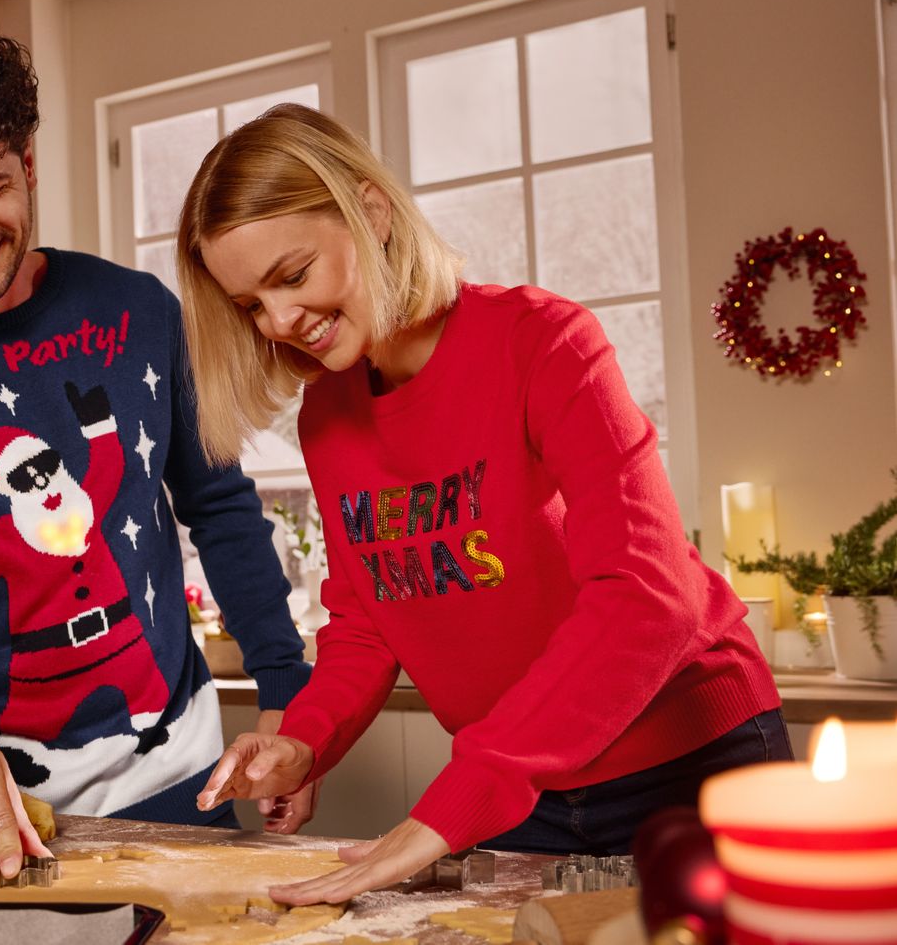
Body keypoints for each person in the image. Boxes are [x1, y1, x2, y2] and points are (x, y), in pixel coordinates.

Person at [177, 103, 788, 905]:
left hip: (688, 763)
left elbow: (647, 592)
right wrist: (303, 739)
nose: (280, 320)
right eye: (251, 304)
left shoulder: (544, 343)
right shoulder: (327, 419)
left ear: (372, 213)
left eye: (292, 276)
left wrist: (462, 795)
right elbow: (367, 620)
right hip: (525, 797)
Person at [0, 20, 314, 891]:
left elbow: (219, 507)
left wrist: (290, 688)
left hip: (184, 783)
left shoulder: (140, 311)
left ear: (29, 164)